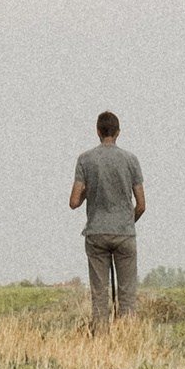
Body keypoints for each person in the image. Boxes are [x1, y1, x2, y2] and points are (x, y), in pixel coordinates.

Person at [70, 107, 145, 320]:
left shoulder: (85, 159)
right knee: (127, 295)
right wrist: (127, 222)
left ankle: (101, 335)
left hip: (96, 232)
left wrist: (90, 189)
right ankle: (126, 335)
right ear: (118, 132)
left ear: (98, 131)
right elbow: (141, 205)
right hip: (124, 233)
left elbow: (74, 202)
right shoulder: (131, 160)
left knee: (99, 295)